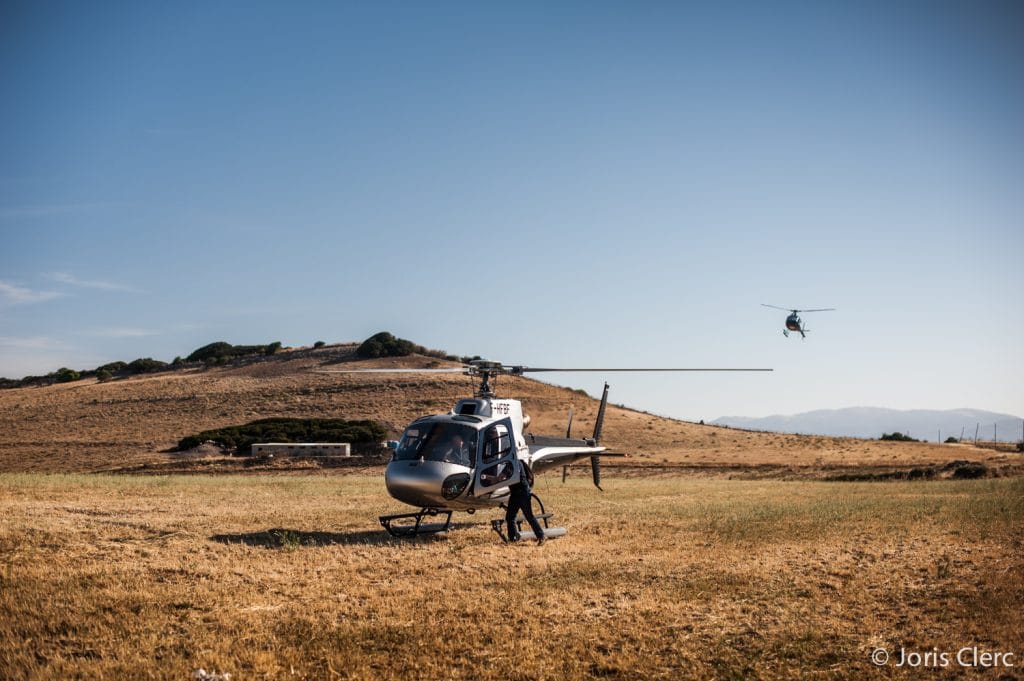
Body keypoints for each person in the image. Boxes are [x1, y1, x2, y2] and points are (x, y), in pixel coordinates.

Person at [505, 457, 545, 545]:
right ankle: (513, 539)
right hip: (515, 494)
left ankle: (541, 536)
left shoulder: (516, 463)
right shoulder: (510, 463)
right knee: (510, 517)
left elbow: (508, 476)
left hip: (522, 493)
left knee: (529, 516)